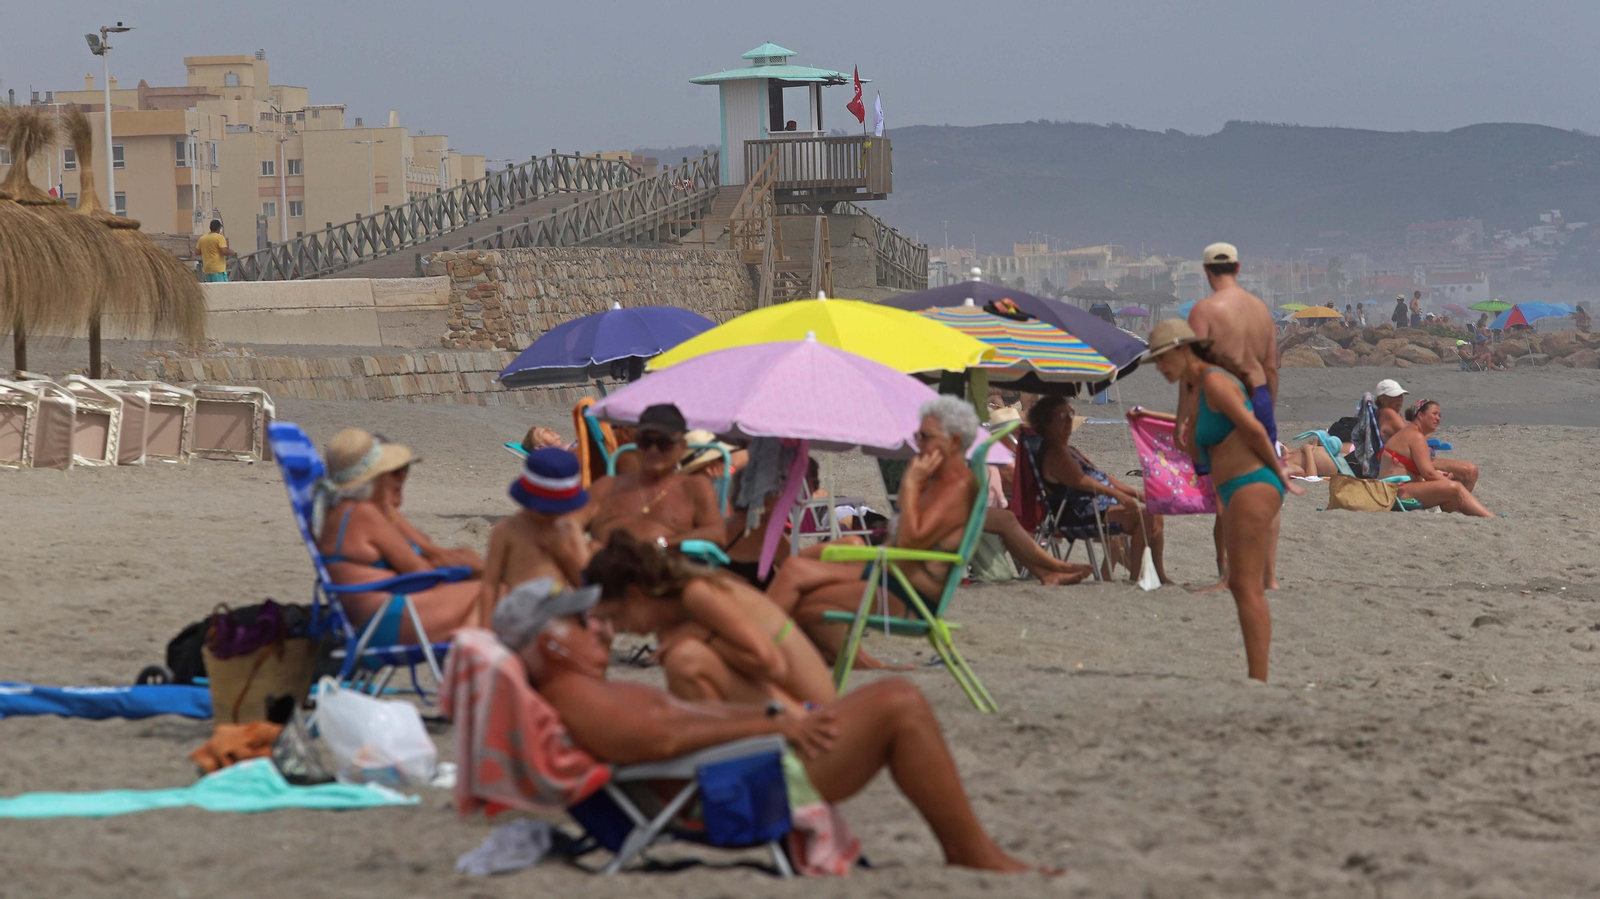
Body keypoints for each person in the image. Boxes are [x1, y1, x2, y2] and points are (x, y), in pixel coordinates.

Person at [491, 578, 1055, 874]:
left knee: (889, 700)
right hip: (724, 792)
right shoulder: (578, 697)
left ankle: (970, 850)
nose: (600, 628)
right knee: (898, 702)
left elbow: (669, 723)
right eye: (581, 621)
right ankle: (973, 854)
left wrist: (770, 717)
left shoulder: (576, 692)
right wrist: (768, 721)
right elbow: (661, 737)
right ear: (550, 641)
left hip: (715, 778)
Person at [768, 397, 1085, 665]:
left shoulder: (949, 487)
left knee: (805, 590)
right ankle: (1052, 569)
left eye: (926, 437)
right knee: (804, 565)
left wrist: (908, 485)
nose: (918, 443)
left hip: (908, 596)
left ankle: (781, 652)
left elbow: (911, 541)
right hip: (898, 580)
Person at [1148, 320, 1301, 682]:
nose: (1158, 368)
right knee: (1241, 587)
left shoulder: (1216, 382)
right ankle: (1255, 675)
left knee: (1248, 589)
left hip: (1253, 482)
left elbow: (1253, 428)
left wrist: (1280, 473)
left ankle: (1259, 680)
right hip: (1233, 487)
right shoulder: (1197, 385)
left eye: (1162, 359)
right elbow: (1189, 441)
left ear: (1184, 350)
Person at [583, 532, 835, 711]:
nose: (617, 628)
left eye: (615, 616)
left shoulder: (696, 593)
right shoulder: (670, 622)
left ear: (636, 595)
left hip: (813, 713)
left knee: (685, 659)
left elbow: (773, 665)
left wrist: (702, 636)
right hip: (789, 706)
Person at [316, 429, 483, 642]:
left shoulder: (341, 512)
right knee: (502, 596)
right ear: (375, 477)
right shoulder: (363, 514)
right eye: (387, 471)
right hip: (386, 621)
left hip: (370, 617)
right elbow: (420, 571)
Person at [1181, 242, 1282, 591]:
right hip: (1260, 395)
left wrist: (1185, 418)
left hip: (1221, 399)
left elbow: (1192, 370)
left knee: (1226, 490)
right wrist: (1268, 407)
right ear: (1238, 268)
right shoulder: (1261, 310)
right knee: (1267, 484)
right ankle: (1269, 577)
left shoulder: (1204, 310)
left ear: (1207, 272)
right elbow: (1271, 365)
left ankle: (1229, 576)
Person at [1029, 396, 1168, 584]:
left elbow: (1101, 475)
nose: (1069, 420)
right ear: (1046, 422)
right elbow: (1081, 481)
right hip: (1078, 512)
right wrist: (1118, 495)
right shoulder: (1055, 453)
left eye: (1070, 413)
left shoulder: (1069, 450)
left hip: (1095, 506)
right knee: (1146, 517)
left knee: (1155, 514)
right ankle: (1136, 578)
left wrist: (1136, 494)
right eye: (1062, 415)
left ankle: (1159, 575)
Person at [478, 448, 595, 626]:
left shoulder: (569, 529)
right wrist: (485, 629)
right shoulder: (507, 530)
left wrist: (561, 553)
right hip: (519, 615)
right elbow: (490, 584)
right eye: (544, 510)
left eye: (557, 511)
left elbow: (585, 584)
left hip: (557, 613)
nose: (550, 517)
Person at [589, 404, 724, 548]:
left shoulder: (693, 487)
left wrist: (664, 543)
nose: (653, 450)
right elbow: (569, 523)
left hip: (666, 566)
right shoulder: (606, 487)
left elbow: (717, 534)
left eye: (664, 443)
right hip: (606, 565)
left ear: (682, 447)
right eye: (646, 442)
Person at [1378, 401, 1494, 517]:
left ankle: (1465, 515)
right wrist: (1446, 482)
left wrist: (1439, 476)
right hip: (1397, 492)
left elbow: (1416, 470)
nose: (1438, 418)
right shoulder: (1416, 436)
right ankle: (1490, 517)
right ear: (1420, 415)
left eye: (1439, 415)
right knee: (1455, 487)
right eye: (1434, 414)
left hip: (1396, 489)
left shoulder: (1410, 433)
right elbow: (1429, 474)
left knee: (1452, 490)